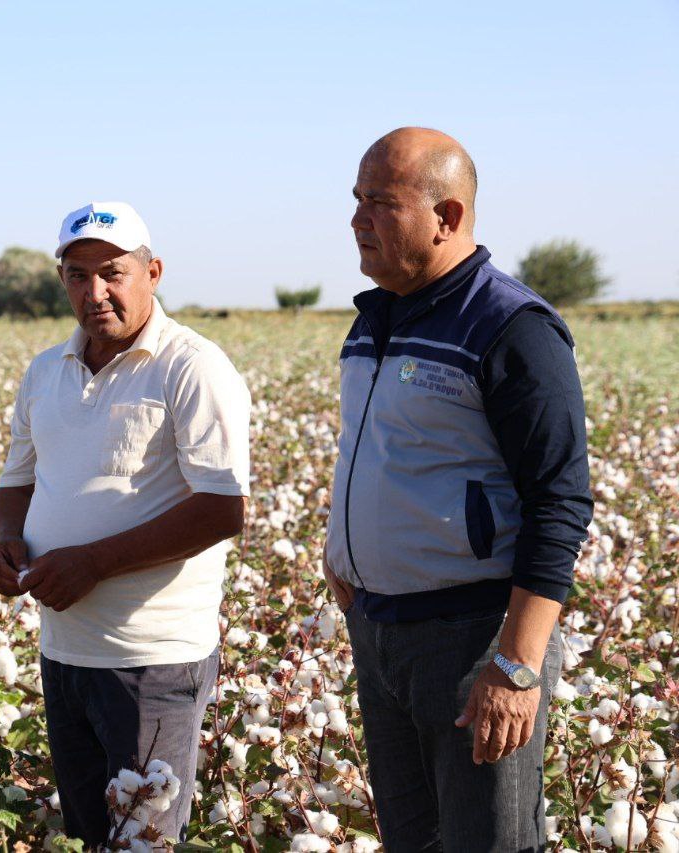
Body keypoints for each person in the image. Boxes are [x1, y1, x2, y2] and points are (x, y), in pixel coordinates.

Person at [323, 128, 593, 851]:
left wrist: (515, 663)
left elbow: (560, 500)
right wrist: (342, 552)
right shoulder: (373, 319)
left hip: (475, 640)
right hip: (382, 636)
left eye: (379, 202)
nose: (357, 220)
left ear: (447, 216)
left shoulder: (512, 326)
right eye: (356, 200)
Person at [0, 202, 251, 845]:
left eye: (112, 272)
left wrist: (93, 562)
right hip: (64, 650)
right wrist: (6, 543)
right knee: (85, 832)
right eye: (78, 276)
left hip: (151, 660)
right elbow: (17, 482)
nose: (95, 292)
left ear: (152, 272)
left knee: (142, 839)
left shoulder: (191, 366)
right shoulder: (47, 370)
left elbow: (222, 507)